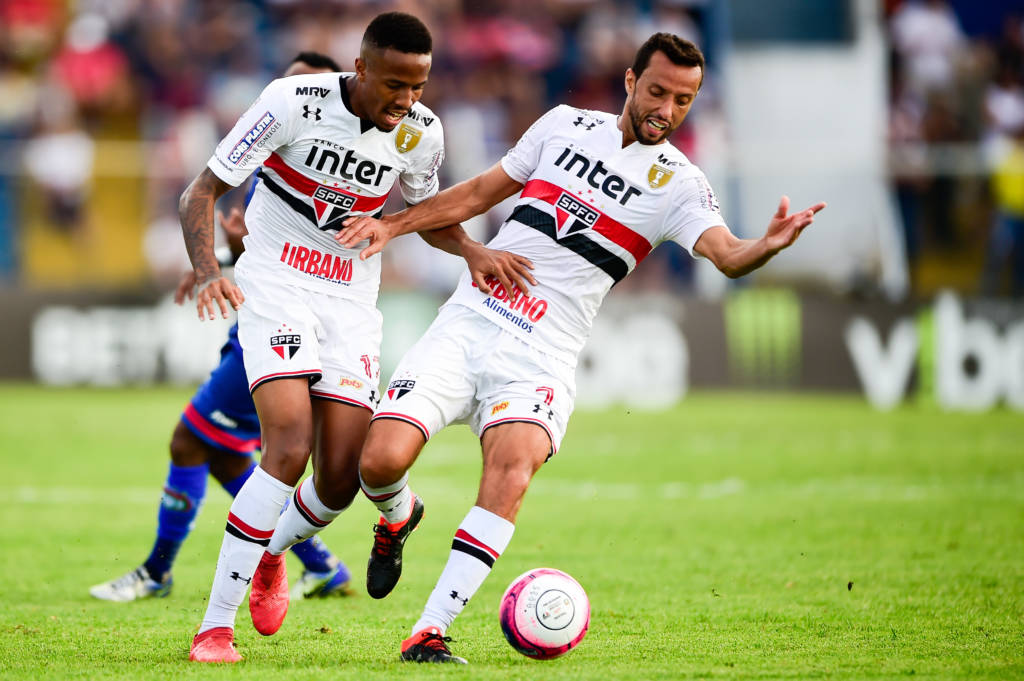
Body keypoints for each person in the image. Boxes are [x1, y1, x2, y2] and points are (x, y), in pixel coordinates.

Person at [332, 33, 826, 664]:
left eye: (683, 100)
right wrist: (393, 224)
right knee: (378, 463)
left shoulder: (680, 184)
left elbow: (727, 254)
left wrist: (765, 246)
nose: (666, 110)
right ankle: (398, 516)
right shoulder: (564, 125)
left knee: (510, 474)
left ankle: (429, 630)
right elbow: (479, 193)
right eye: (657, 92)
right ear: (630, 81)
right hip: (469, 323)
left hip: (542, 356)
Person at [180, 13, 533, 663]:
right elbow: (200, 192)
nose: (407, 100)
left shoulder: (422, 132)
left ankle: (271, 555)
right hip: (276, 284)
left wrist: (472, 250)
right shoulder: (292, 101)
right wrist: (208, 271)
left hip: (350, 303)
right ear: (361, 67)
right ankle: (215, 627)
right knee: (288, 445)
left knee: (341, 478)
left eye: (418, 86)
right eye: (395, 84)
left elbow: (425, 216)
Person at [88, 52, 354, 606]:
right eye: (287, 86)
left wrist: (233, 253)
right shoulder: (273, 161)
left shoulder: (334, 171)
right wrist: (221, 259)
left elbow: (314, 258)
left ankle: (156, 573)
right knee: (229, 456)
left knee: (189, 441)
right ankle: (322, 564)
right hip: (260, 324)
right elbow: (273, 251)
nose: (295, 99)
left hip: (280, 333)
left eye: (309, 89)